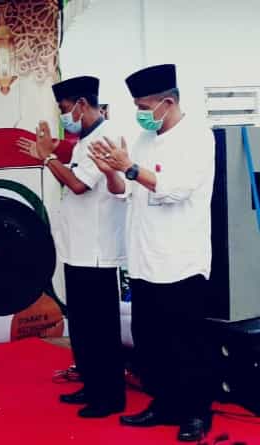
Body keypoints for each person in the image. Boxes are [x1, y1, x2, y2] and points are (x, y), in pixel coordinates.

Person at [88, 64, 215, 442]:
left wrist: (129, 167)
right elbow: (122, 192)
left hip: (180, 261)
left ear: (168, 102)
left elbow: (175, 189)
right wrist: (111, 172)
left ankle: (195, 413)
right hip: (144, 260)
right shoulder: (143, 140)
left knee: (186, 342)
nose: (140, 114)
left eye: (144, 106)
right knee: (151, 341)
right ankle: (164, 404)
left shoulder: (197, 136)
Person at [17, 76, 127, 418]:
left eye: (65, 109)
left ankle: (109, 397)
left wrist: (48, 158)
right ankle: (92, 385)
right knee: (82, 326)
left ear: (81, 103)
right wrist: (51, 155)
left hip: (97, 251)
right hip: (78, 249)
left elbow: (79, 185)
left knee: (100, 329)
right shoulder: (84, 140)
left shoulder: (105, 138)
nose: (64, 116)